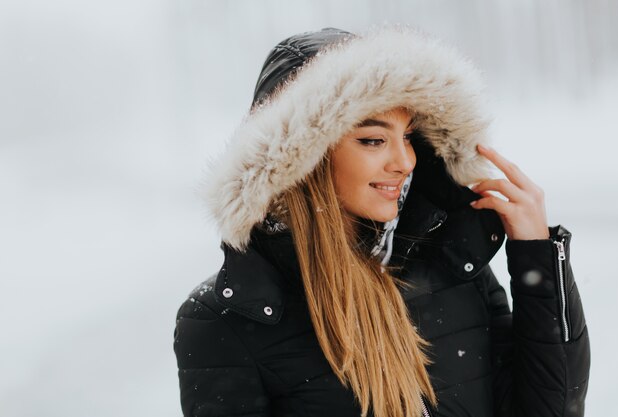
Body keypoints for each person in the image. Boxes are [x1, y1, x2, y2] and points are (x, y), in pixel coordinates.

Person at [173, 27, 590, 417]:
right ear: (302, 156)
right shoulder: (228, 318)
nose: (405, 161)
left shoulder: (452, 264)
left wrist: (537, 257)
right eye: (373, 140)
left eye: (408, 136)